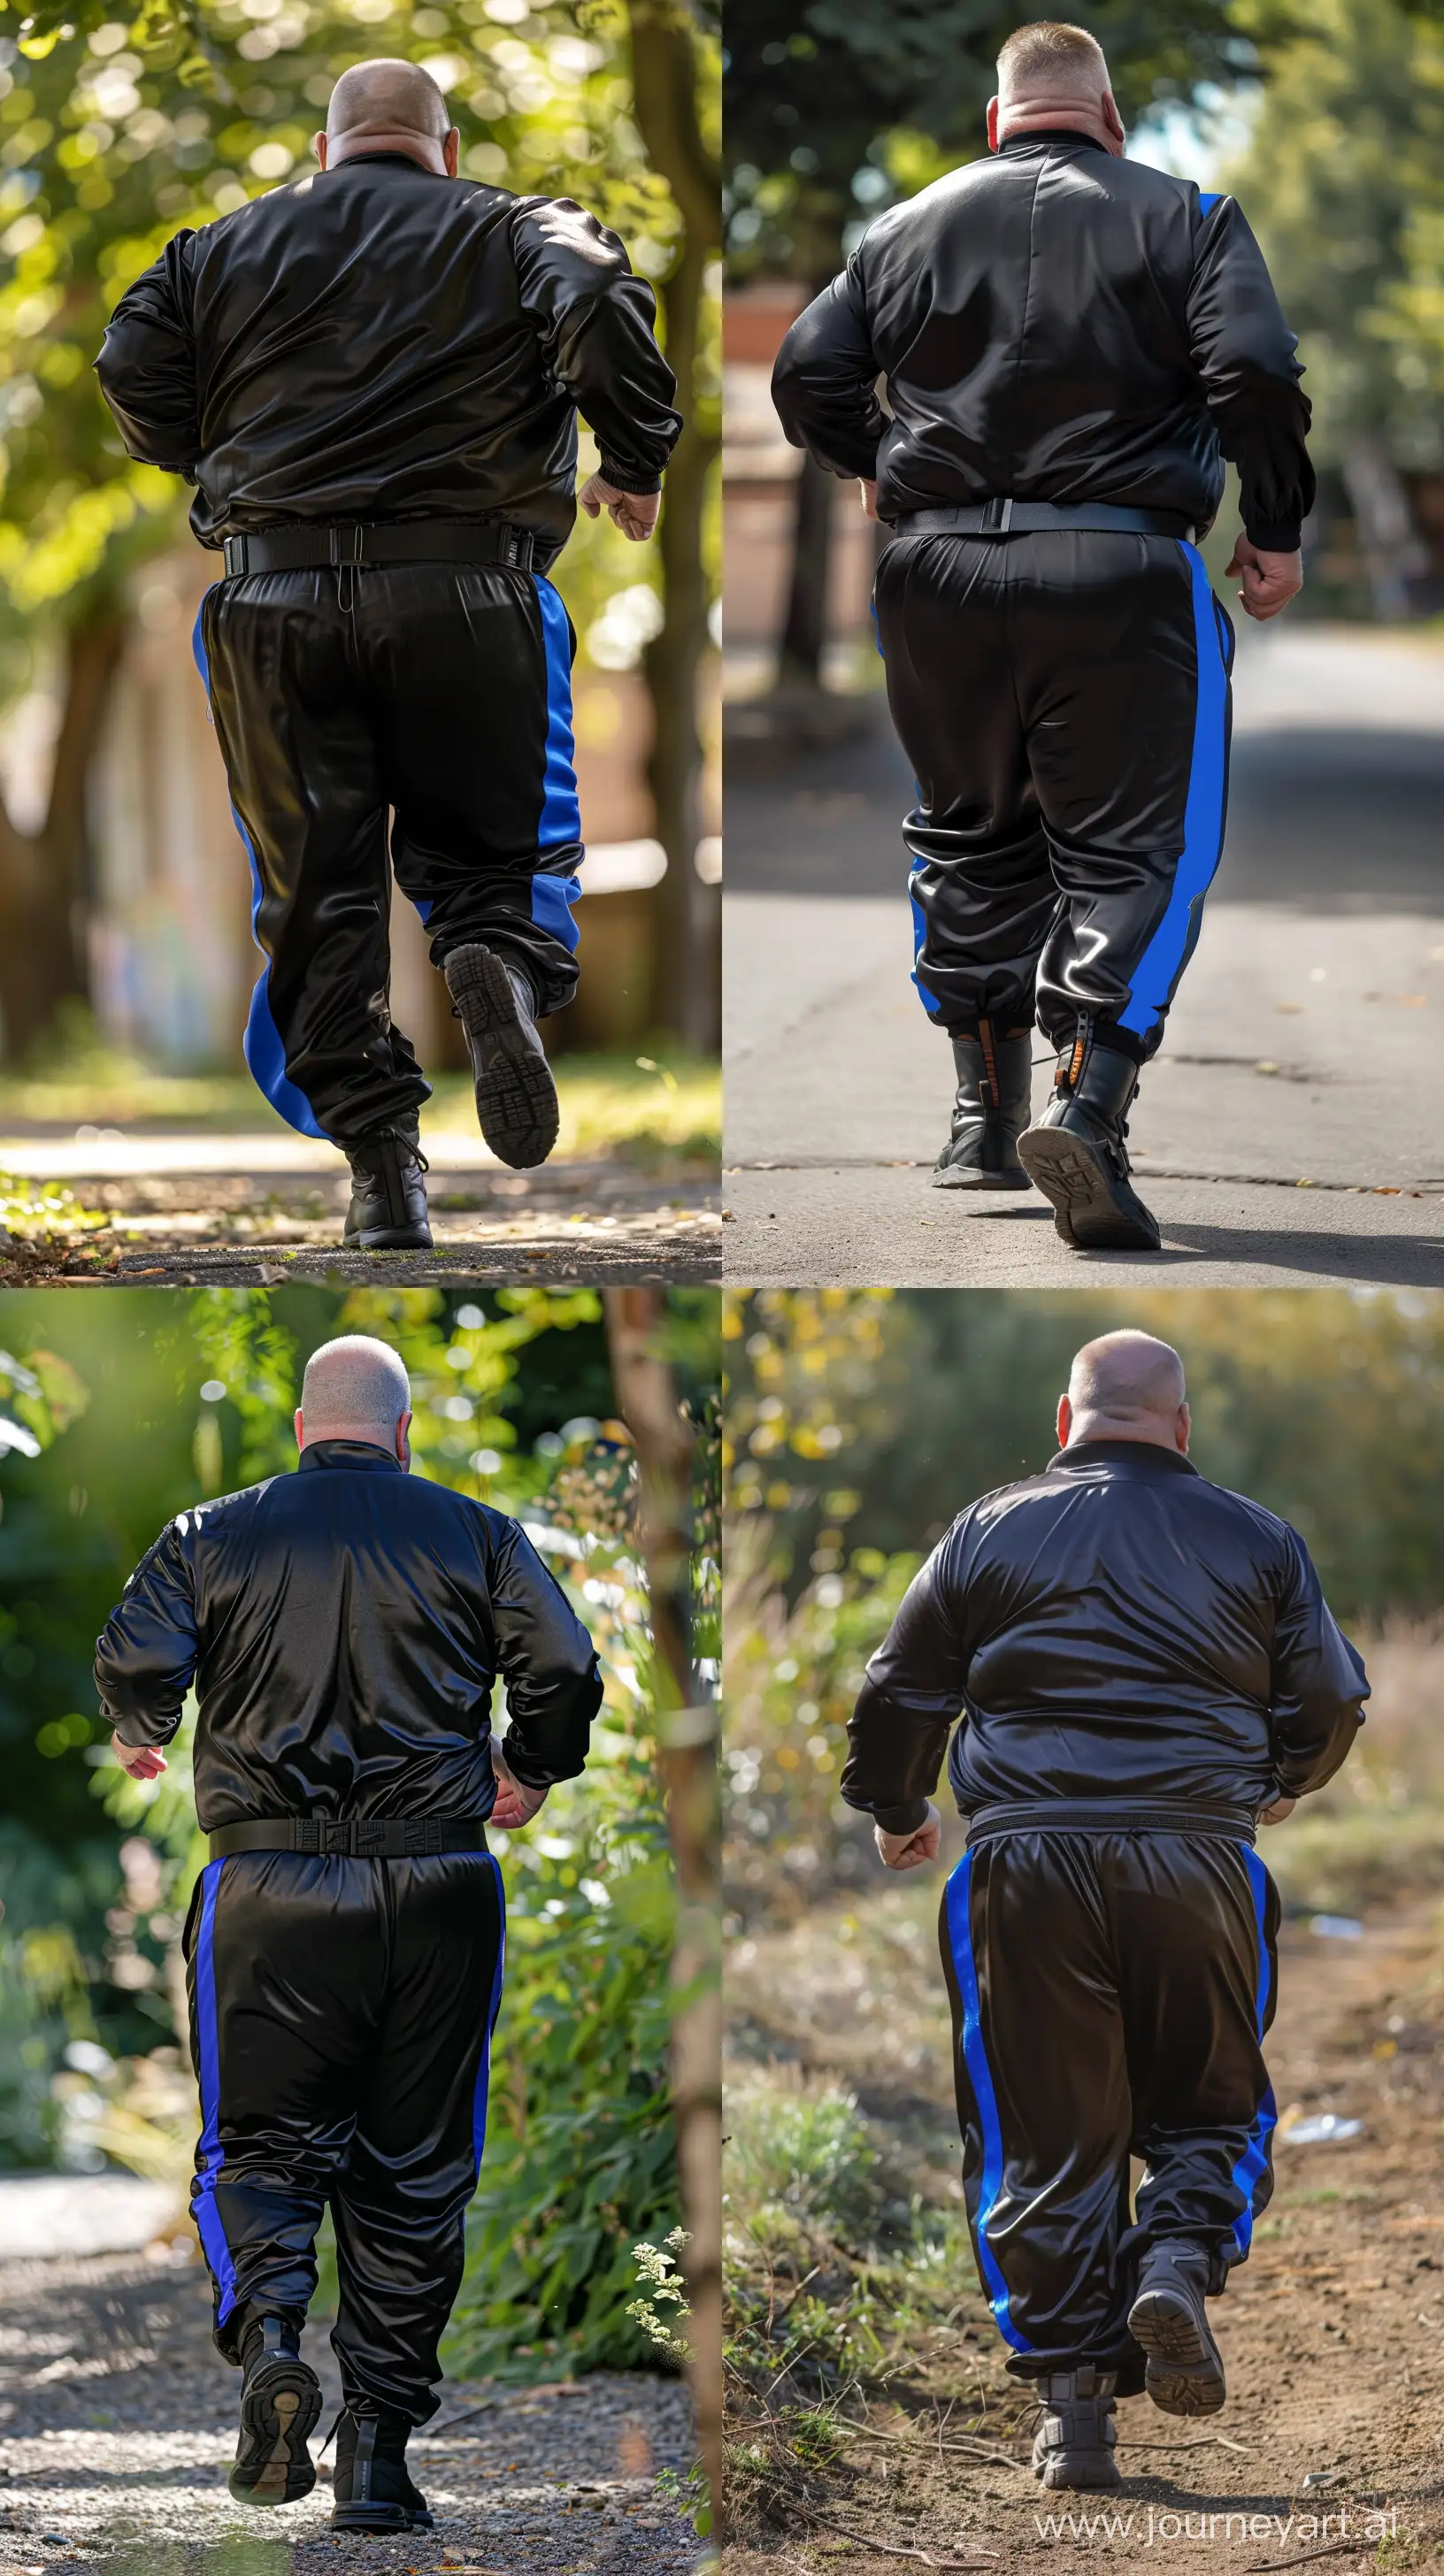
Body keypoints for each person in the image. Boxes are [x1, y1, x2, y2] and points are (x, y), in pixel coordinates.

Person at [95, 59, 681, 1251]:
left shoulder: (210, 251)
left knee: (317, 898)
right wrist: (634, 453)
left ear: (326, 152)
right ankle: (491, 959)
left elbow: (128, 365)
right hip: (472, 587)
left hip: (275, 596)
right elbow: (603, 299)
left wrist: (225, 454)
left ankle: (382, 1178)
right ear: (447, 149)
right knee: (502, 854)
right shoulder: (520, 226)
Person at [772, 23, 1313, 1254]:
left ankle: (978, 1116)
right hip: (1120, 561)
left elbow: (807, 373)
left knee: (967, 829)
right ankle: (1089, 1100)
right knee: (1139, 850)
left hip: (935, 568)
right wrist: (1272, 521)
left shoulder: (905, 226)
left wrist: (886, 467)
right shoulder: (1190, 216)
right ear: (1113, 122)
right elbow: (1261, 372)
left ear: (995, 123)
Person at [841, 1330, 1367, 2489]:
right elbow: (1330, 1698)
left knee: (1043, 2135)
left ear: (1065, 1417)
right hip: (1200, 1857)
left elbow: (899, 1687)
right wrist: (1280, 1780)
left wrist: (894, 1804)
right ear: (1180, 1426)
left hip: (1025, 1866)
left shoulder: (987, 1525)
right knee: (1210, 2102)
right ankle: (1175, 2254)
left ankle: (1072, 2424)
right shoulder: (1257, 1536)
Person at [96, 1334, 603, 2534]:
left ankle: (273, 2339)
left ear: (300, 1429)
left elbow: (136, 1653)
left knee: (255, 2150)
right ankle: (379, 2459)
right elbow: (565, 1666)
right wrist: (528, 1765)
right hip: (437, 1885)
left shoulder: (211, 1530)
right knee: (417, 2169)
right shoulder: (476, 1530)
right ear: (404, 1433)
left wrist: (144, 1721)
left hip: (266, 1889)